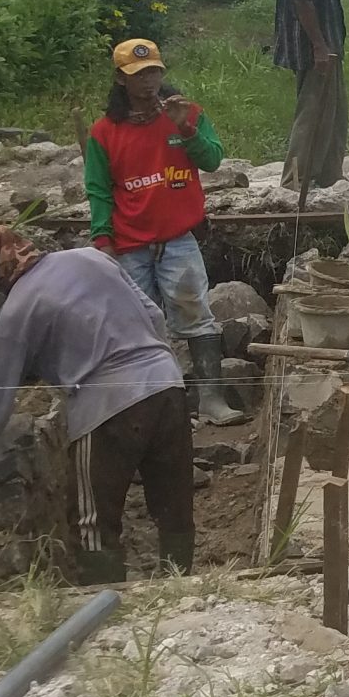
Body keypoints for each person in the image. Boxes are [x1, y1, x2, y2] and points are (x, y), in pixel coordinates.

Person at [0, 226, 194, 583]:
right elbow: (155, 317)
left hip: (107, 408)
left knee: (92, 521)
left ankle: (108, 607)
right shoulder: (92, 257)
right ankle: (181, 588)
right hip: (167, 384)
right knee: (173, 502)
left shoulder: (17, 311)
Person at [86, 39, 245, 426]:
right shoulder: (104, 132)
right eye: (139, 74)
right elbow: (99, 189)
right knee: (137, 323)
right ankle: (158, 409)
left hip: (177, 237)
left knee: (195, 311)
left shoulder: (185, 114)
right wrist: (102, 238)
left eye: (155, 71)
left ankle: (211, 399)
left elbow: (212, 159)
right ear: (121, 79)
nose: (150, 81)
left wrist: (186, 128)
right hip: (129, 242)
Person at [275, 0, 348, 191]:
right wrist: (319, 45)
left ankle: (330, 175)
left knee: (333, 112)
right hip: (311, 45)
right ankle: (295, 181)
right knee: (312, 112)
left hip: (325, 41)